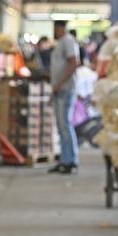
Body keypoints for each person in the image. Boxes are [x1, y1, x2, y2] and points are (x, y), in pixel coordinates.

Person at [48, 21, 80, 174]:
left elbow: (74, 63)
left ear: (59, 28)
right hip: (60, 90)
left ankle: (71, 160)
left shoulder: (68, 41)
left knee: (65, 125)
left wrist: (60, 83)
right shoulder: (61, 42)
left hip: (65, 90)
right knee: (61, 126)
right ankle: (64, 159)